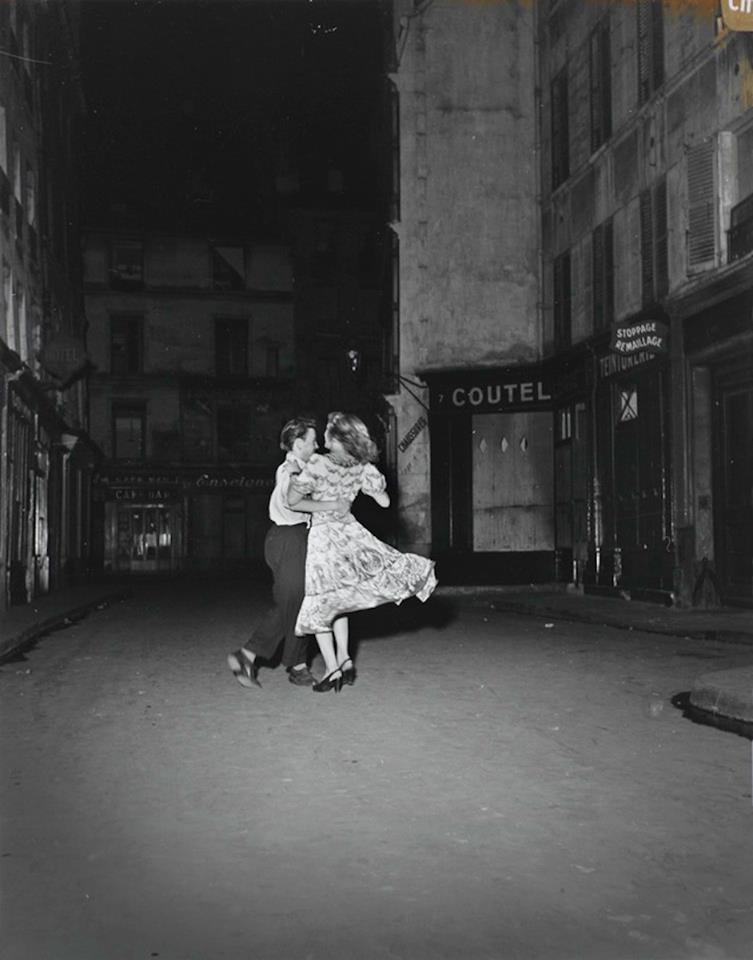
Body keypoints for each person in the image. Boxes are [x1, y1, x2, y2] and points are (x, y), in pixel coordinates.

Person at [288, 411, 437, 693]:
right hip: (350, 534)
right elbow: (384, 502)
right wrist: (359, 489)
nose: (324, 435)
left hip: (324, 539)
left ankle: (332, 668)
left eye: (328, 431)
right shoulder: (362, 466)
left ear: (336, 438)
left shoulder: (318, 463)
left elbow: (293, 501)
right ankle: (344, 658)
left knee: (322, 603)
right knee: (341, 598)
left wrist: (330, 504)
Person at [227, 417, 348, 689]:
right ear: (298, 443)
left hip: (295, 538)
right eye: (312, 441)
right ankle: (256, 656)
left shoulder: (300, 468)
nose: (316, 446)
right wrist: (332, 504)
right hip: (288, 538)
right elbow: (294, 503)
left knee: (299, 601)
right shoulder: (289, 470)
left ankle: (294, 663)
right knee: (294, 601)